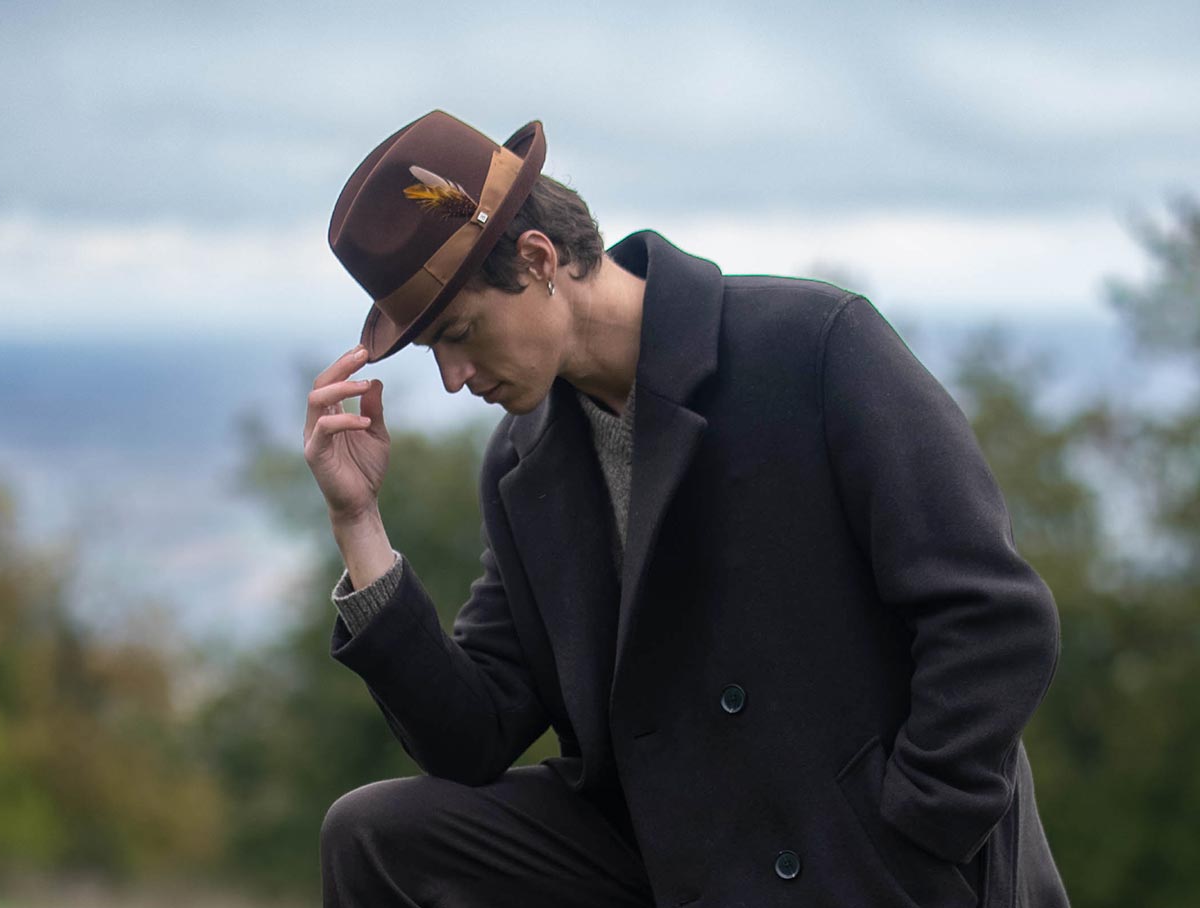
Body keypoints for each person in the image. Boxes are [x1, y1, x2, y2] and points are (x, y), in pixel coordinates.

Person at [304, 110, 1069, 907]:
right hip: (681, 856)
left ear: (538, 259)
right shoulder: (521, 463)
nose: (453, 378)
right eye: (434, 350)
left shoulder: (811, 348)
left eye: (460, 333)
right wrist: (359, 525)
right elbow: (474, 735)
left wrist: (918, 823)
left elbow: (994, 618)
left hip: (859, 854)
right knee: (374, 836)